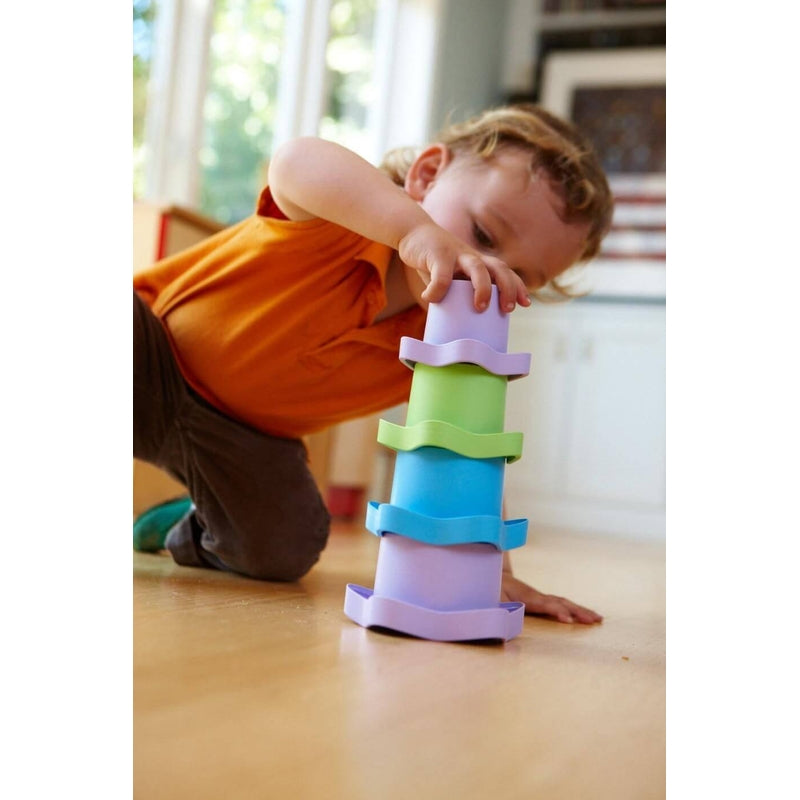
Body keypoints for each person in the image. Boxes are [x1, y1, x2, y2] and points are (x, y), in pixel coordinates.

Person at [134, 104, 613, 625]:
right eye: (484, 236)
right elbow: (296, 160)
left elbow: (467, 448)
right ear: (426, 175)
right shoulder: (341, 219)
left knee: (284, 545)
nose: (488, 270)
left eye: (521, 275)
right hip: (153, 356)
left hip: (245, 440)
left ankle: (193, 527)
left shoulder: (447, 343)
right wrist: (412, 231)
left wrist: (489, 570)